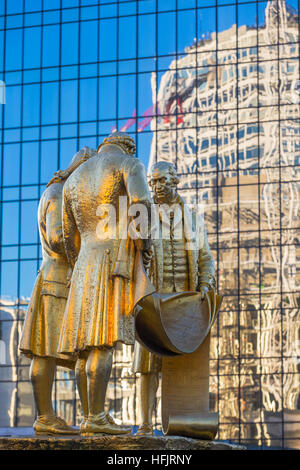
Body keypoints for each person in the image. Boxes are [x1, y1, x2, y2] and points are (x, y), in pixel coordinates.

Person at [58, 132, 153, 435]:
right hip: (113, 260)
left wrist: (77, 263)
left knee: (84, 348)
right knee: (103, 341)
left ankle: (90, 415)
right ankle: (96, 416)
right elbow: (142, 205)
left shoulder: (73, 179)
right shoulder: (129, 163)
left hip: (84, 260)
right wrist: (144, 244)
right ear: (128, 145)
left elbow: (66, 233)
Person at [133, 161, 215, 435]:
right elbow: (133, 259)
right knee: (147, 365)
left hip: (184, 303)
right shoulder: (143, 218)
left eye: (161, 181)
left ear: (175, 181)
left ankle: (180, 426)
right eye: (152, 181)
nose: (156, 186)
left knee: (181, 365)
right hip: (153, 302)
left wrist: (204, 284)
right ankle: (145, 423)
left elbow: (205, 257)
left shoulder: (192, 219)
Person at [19, 146, 96, 435]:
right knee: (46, 353)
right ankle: (46, 416)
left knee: (49, 353)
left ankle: (61, 416)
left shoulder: (59, 192)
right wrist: (83, 246)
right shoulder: (59, 194)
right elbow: (56, 237)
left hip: (56, 280)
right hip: (58, 281)